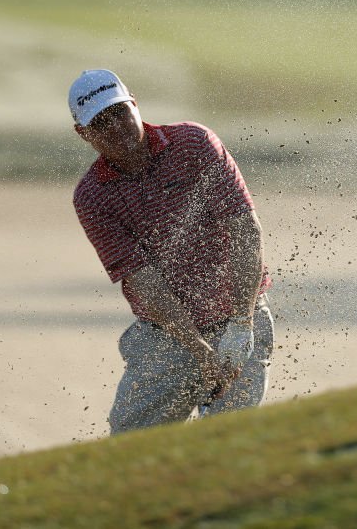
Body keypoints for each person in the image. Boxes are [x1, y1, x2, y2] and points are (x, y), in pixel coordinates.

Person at [68, 68, 274, 435]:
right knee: (131, 448)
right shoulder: (93, 197)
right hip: (166, 336)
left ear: (134, 104)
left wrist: (241, 327)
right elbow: (143, 281)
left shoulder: (194, 144)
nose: (116, 127)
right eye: (101, 123)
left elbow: (244, 230)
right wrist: (199, 350)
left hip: (240, 315)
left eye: (119, 113)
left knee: (228, 444)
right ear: (83, 134)